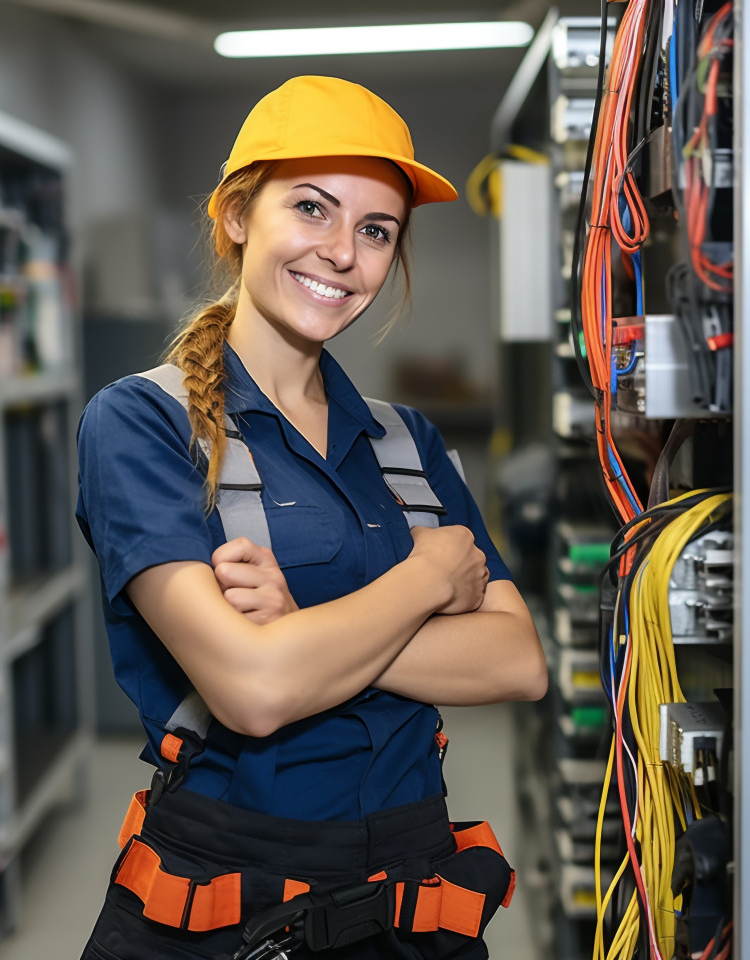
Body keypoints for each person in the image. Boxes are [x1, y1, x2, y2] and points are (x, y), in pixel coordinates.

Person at [75, 75, 547, 960]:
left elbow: (519, 662)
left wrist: (301, 629)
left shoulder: (405, 441)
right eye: (313, 209)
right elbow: (254, 694)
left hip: (411, 888)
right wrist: (421, 583)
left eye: (377, 231)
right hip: (228, 892)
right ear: (237, 215)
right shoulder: (140, 423)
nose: (343, 253)